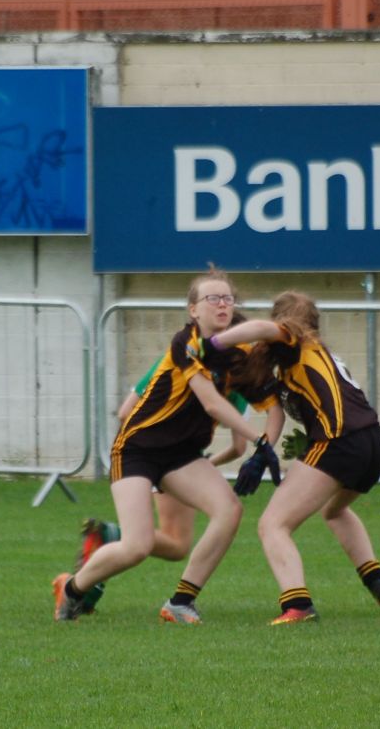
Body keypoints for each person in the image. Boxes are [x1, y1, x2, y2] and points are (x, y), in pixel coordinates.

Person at [52, 266, 281, 624]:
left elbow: (273, 407)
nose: (222, 304)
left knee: (229, 511)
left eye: (227, 298)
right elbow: (211, 404)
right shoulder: (185, 343)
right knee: (138, 546)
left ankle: (181, 601)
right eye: (212, 298)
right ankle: (73, 589)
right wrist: (260, 441)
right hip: (137, 449)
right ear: (193, 310)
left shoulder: (241, 357)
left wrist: (268, 445)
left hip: (183, 456)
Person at [203, 289, 380, 625]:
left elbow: (262, 330)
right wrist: (264, 449)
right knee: (335, 510)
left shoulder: (294, 340)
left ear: (285, 322)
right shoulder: (320, 354)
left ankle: (297, 604)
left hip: (340, 442)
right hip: (374, 443)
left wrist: (213, 345)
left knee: (273, 524)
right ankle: (375, 580)